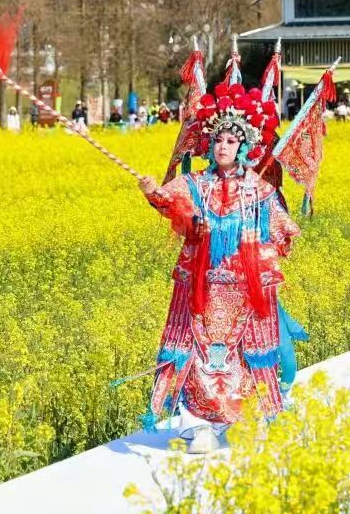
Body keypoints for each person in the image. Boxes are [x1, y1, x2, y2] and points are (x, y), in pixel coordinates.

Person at [137, 83, 299, 453]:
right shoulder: (195, 183)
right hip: (201, 287)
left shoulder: (258, 189)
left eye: (230, 141)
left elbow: (281, 228)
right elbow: (168, 201)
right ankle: (199, 425)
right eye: (218, 140)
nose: (223, 146)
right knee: (200, 350)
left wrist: (276, 238)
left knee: (244, 352)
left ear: (242, 147)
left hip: (244, 288)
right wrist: (151, 190)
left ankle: (243, 418)